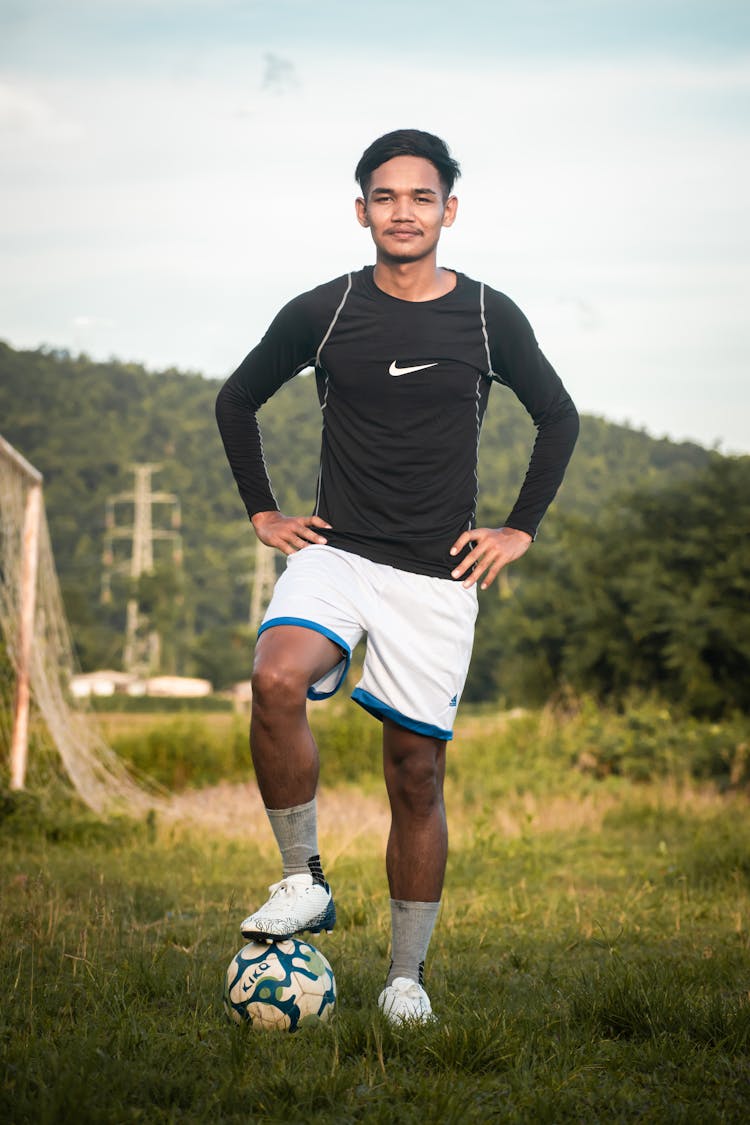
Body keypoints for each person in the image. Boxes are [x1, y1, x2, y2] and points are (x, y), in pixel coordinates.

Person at [215, 128, 579, 1024]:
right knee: (273, 677)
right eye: (386, 197)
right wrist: (263, 511)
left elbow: (558, 415)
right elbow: (237, 397)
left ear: (448, 211)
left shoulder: (490, 315)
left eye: (421, 197)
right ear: (361, 211)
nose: (403, 211)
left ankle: (405, 976)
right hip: (336, 554)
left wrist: (519, 528)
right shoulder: (325, 310)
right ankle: (303, 880)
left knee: (415, 774)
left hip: (437, 577)